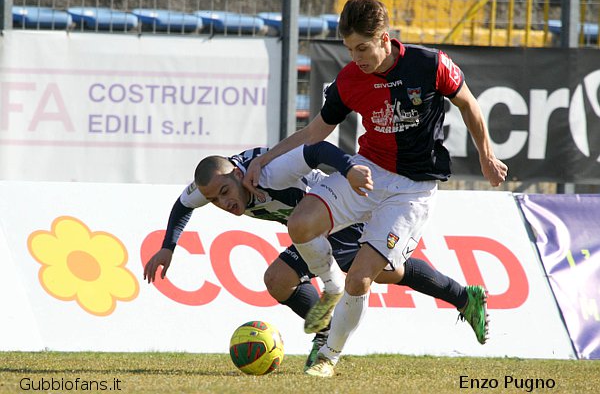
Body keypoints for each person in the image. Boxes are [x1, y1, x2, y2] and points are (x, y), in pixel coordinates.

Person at [243, 0, 507, 377]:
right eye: (350, 49)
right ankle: (329, 286)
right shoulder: (350, 79)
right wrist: (266, 158)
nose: (357, 58)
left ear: (385, 38)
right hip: (367, 172)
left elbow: (468, 103)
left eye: (362, 48)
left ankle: (328, 357)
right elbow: (315, 131)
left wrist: (486, 154)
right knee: (300, 224)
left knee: (363, 277)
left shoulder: (430, 64)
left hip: (412, 189)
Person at [143, 141, 490, 371]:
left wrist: (350, 167)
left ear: (238, 174)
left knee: (283, 278)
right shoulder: (216, 182)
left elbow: (314, 148)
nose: (224, 203)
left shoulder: (267, 172)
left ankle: (325, 336)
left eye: (225, 193)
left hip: (339, 216)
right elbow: (182, 204)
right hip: (313, 230)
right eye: (215, 200)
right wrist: (168, 247)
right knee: (385, 272)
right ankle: (463, 296)